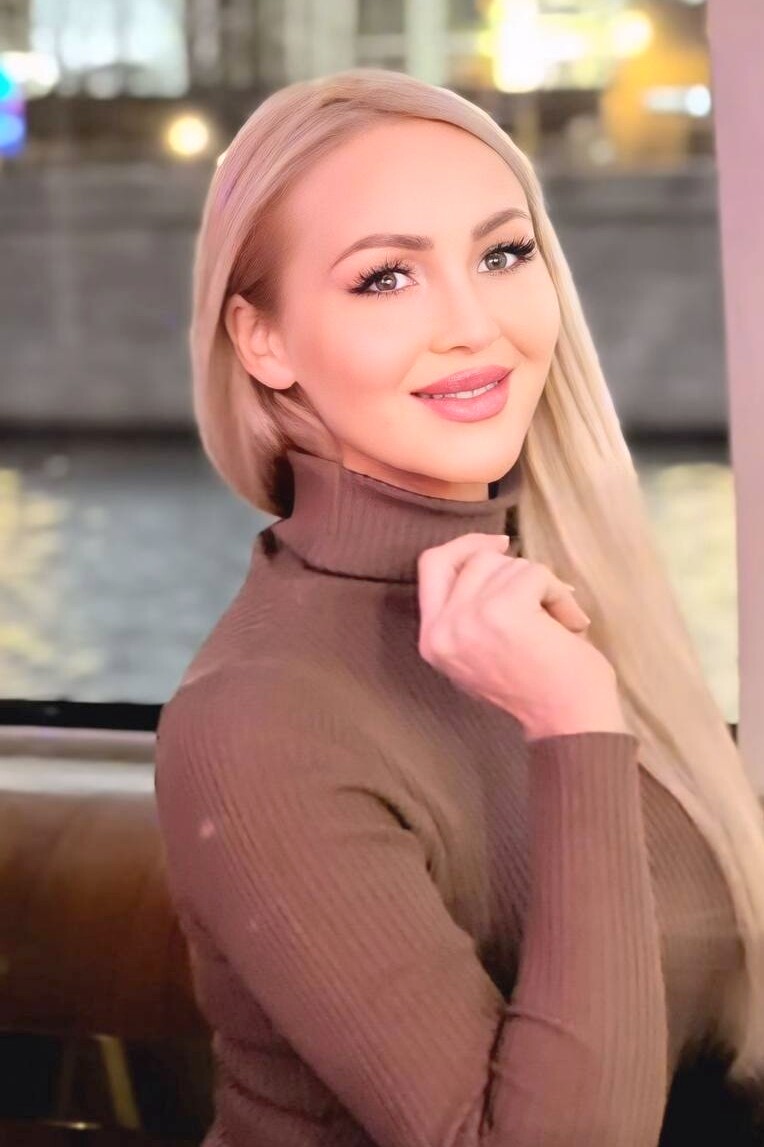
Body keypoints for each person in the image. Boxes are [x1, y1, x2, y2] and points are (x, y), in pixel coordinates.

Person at [154, 68, 764, 1146]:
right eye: (385, 277)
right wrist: (573, 727)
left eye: (502, 254)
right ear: (263, 341)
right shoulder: (254, 720)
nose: (473, 324)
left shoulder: (574, 589)